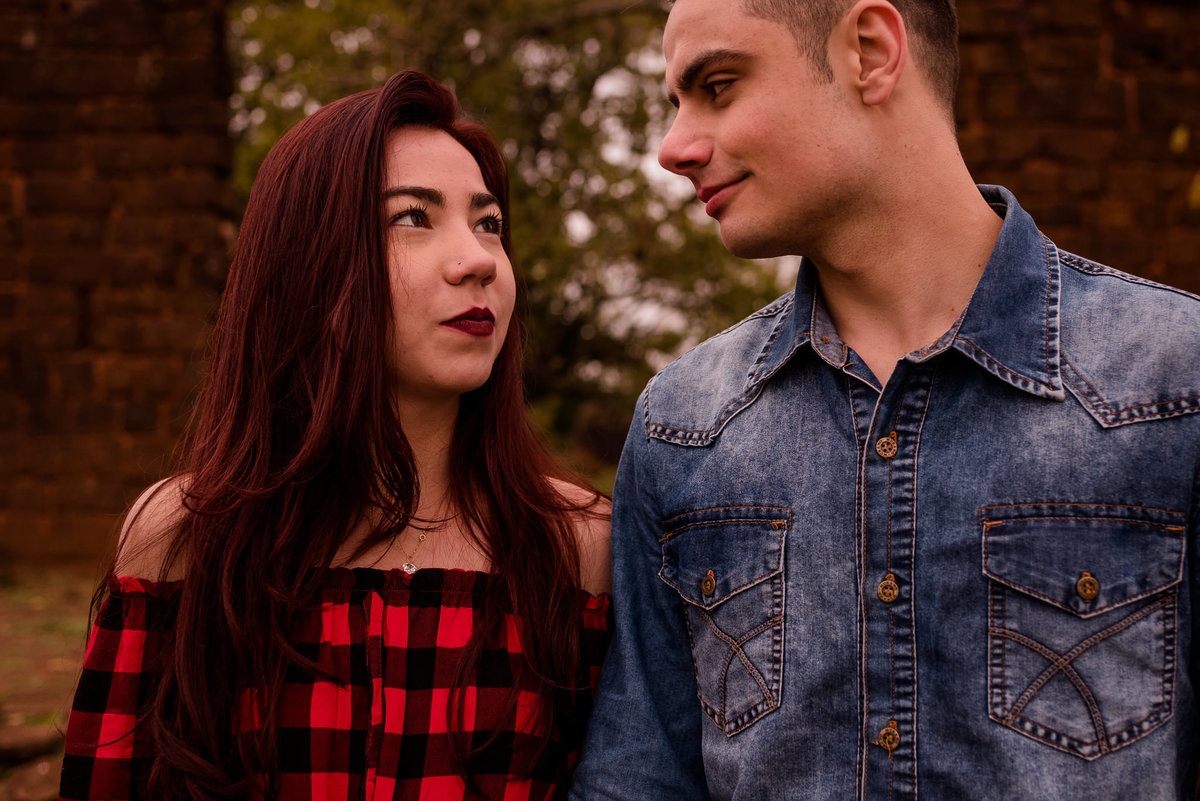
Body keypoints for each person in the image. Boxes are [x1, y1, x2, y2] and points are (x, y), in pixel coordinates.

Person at [570, 0, 1200, 798]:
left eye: (718, 86)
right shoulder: (682, 426)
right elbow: (636, 780)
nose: (673, 147)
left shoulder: (1176, 385)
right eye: (676, 102)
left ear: (869, 52)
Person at [59, 69, 612, 801]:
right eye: (412, 217)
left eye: (489, 224)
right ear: (308, 263)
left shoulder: (577, 547)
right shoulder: (186, 539)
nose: (480, 259)